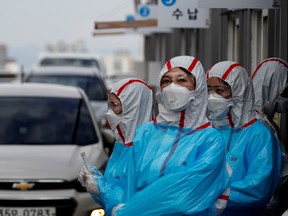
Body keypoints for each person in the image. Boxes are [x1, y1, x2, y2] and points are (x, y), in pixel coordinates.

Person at [112, 55, 230, 215]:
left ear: (198, 87)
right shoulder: (145, 133)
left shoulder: (210, 139)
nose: (172, 87)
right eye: (166, 81)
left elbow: (184, 197)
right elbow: (129, 185)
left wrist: (128, 211)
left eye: (181, 81)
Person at [206, 61, 283, 216]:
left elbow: (257, 189)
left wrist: (211, 196)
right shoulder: (209, 130)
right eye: (209, 91)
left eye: (219, 90)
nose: (212, 97)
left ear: (238, 92)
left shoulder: (259, 134)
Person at [78, 78, 153, 215]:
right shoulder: (121, 146)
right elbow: (112, 199)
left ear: (133, 106)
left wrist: (101, 188)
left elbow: (136, 202)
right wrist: (97, 180)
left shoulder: (149, 149)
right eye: (109, 105)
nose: (109, 112)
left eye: (114, 105)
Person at [251, 57, 288, 216]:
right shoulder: (261, 126)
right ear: (272, 88)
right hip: (264, 207)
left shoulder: (261, 120)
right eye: (284, 92)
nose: (285, 100)